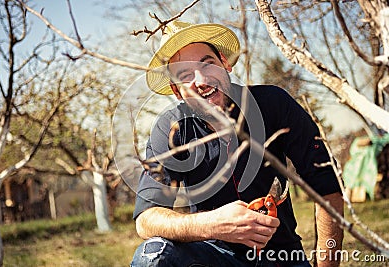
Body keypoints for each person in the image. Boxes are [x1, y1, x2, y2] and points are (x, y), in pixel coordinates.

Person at [130, 20, 344, 267]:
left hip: (281, 256)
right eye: (185, 75)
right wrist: (215, 225)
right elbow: (146, 218)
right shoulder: (170, 129)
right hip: (213, 257)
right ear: (177, 92)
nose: (201, 80)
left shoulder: (273, 104)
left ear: (225, 62)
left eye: (207, 64)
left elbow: (327, 186)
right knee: (152, 254)